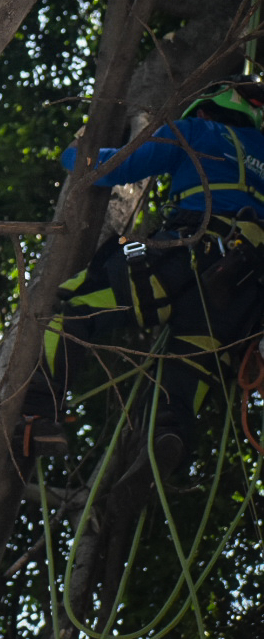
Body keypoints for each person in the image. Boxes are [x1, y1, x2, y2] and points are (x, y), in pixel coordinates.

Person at [19, 76, 264, 475]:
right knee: (196, 357)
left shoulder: (196, 130)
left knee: (76, 307)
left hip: (186, 254)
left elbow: (113, 167)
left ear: (204, 110)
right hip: (241, 286)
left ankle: (35, 417)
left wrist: (75, 153)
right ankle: (172, 435)